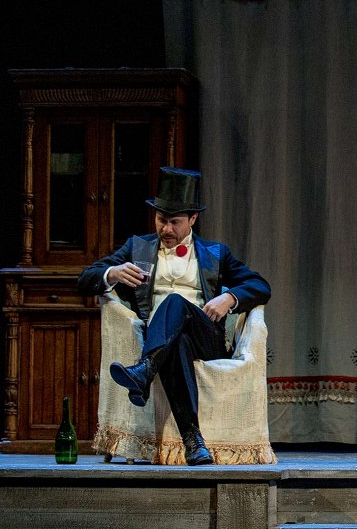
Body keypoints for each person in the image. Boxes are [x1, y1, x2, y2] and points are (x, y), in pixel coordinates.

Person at [78, 167, 271, 465]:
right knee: (176, 343)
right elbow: (84, 279)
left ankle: (144, 370)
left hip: (205, 335)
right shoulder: (138, 247)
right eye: (161, 220)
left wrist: (229, 298)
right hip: (162, 338)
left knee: (175, 302)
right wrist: (112, 273)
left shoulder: (216, 253)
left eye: (174, 222)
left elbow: (260, 286)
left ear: (192, 219)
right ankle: (194, 442)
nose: (166, 229)